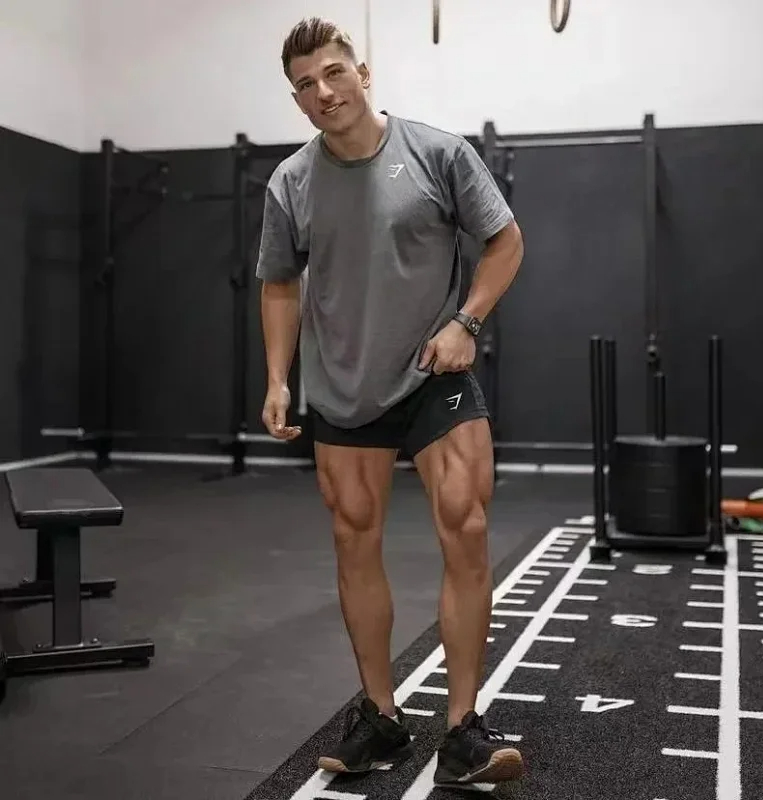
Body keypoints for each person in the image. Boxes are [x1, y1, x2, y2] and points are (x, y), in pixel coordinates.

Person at [256, 17, 525, 787]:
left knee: (465, 523)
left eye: (333, 72)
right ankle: (381, 717)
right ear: (297, 100)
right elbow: (279, 283)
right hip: (344, 384)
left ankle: (464, 728)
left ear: (363, 73)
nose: (323, 91)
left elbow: (505, 241)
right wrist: (278, 379)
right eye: (305, 85)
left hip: (436, 373)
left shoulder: (439, 154)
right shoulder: (290, 183)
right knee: (354, 538)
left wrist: (466, 321)